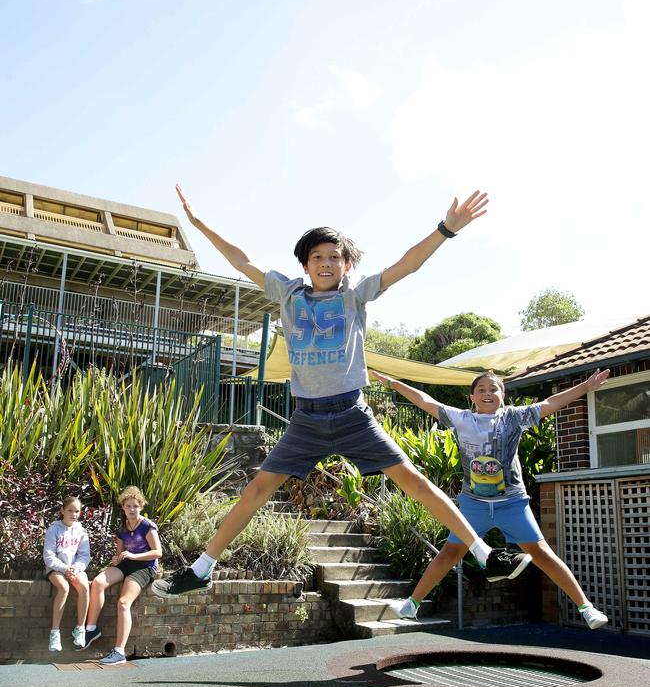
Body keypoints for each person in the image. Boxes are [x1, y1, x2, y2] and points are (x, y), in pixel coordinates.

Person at [152, 184, 531, 600]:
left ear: (347, 265)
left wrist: (446, 229)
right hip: (307, 418)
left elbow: (407, 265)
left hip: (352, 414)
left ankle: (484, 553)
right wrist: (201, 224)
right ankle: (202, 567)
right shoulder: (287, 293)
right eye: (318, 256)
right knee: (257, 488)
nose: (326, 263)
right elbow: (241, 260)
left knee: (413, 480)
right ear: (305, 263)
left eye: (335, 256)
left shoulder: (355, 296)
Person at [371, 368, 610, 630]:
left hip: (512, 503)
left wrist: (585, 387)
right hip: (474, 505)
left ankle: (586, 608)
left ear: (503, 395)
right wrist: (395, 383)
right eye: (482, 390)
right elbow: (427, 401)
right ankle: (413, 604)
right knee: (450, 553)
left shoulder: (514, 417)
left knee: (541, 553)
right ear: (471, 396)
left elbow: (550, 403)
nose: (488, 393)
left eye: (493, 389)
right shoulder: (460, 419)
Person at [84, 486, 162, 665]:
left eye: (135, 506)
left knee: (123, 603)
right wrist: (115, 559)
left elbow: (158, 552)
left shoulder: (147, 526)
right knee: (97, 582)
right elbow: (119, 555)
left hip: (145, 567)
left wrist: (134, 556)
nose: (132, 509)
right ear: (123, 508)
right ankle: (91, 629)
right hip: (127, 564)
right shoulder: (122, 528)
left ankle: (119, 652)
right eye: (128, 506)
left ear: (141, 507)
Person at [43, 496, 90, 651]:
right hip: (56, 569)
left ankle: (80, 629)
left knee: (84, 587)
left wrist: (75, 568)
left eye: (77, 511)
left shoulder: (81, 531)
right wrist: (64, 568)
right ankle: (54, 634)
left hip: (75, 568)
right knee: (64, 588)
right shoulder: (53, 529)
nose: (73, 514)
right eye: (70, 510)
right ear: (62, 510)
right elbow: (49, 556)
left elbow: (84, 555)